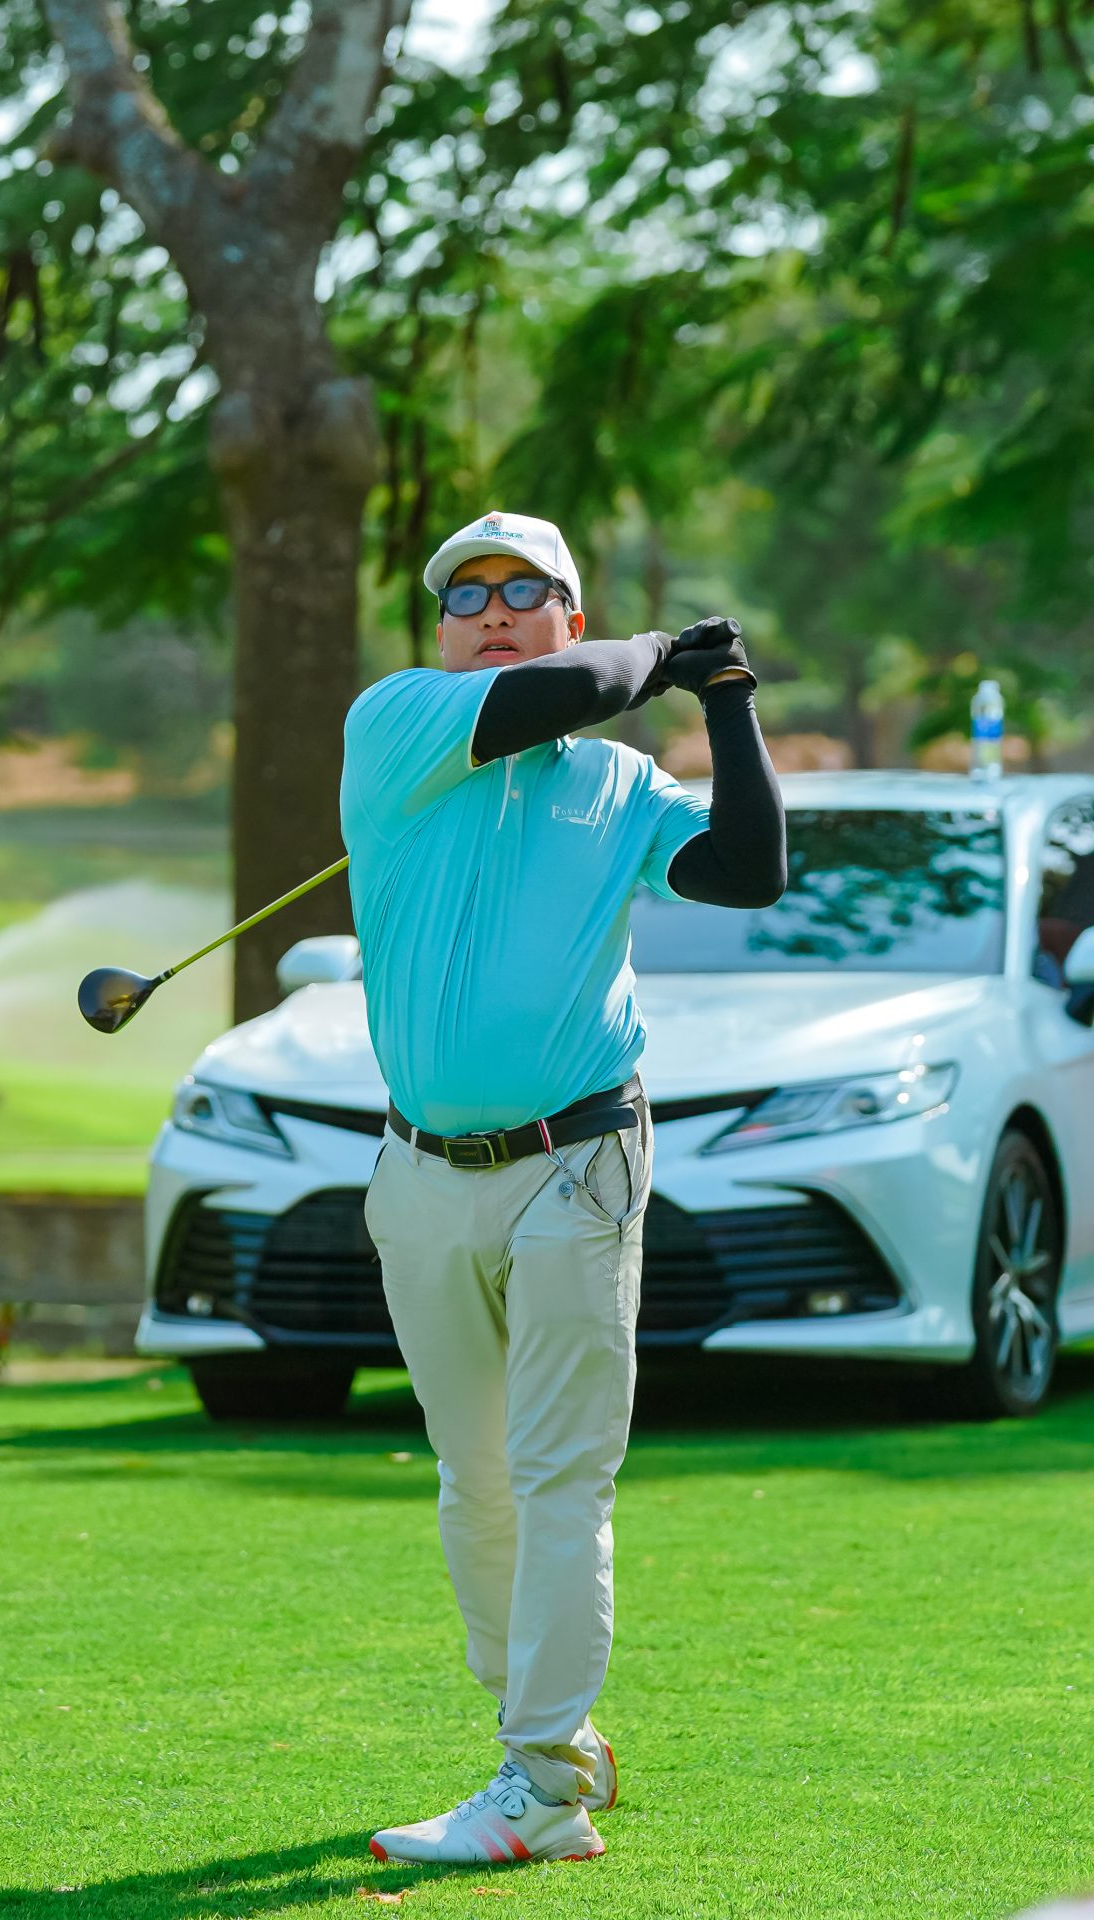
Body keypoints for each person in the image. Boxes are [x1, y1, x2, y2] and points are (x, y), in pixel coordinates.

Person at [340, 509, 786, 1866]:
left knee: (557, 1475)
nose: (489, 610)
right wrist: (660, 655)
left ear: (566, 614)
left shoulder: (620, 784)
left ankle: (540, 1783)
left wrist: (727, 702)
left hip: (578, 1163)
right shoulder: (398, 720)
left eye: (521, 589)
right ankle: (542, 1731)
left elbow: (749, 871)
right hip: (422, 1171)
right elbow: (558, 695)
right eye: (464, 594)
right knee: (473, 1480)